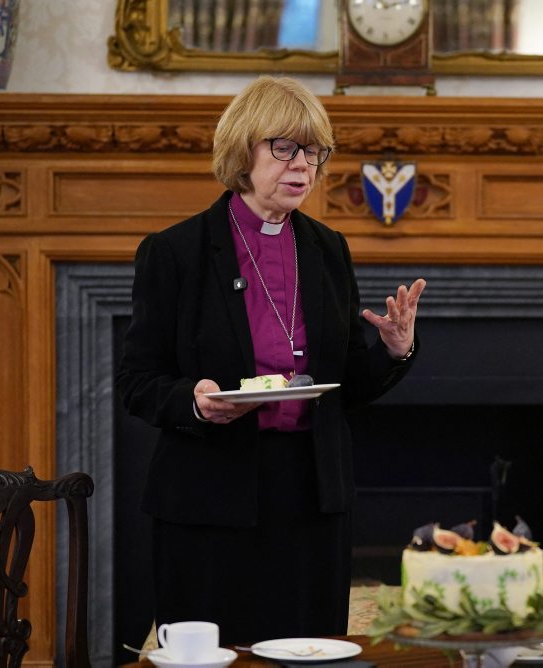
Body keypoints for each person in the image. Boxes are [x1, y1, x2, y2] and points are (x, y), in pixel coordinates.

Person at [116, 75, 426, 643]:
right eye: (284, 147)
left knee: (307, 648)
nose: (302, 164)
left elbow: (345, 385)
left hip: (311, 496)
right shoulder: (176, 251)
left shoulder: (328, 248)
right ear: (242, 150)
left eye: (314, 151)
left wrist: (393, 349)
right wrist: (194, 402)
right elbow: (137, 381)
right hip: (211, 493)